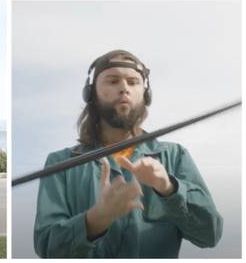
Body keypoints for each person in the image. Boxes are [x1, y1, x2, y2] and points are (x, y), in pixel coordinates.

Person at [34, 50, 223, 258]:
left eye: (133, 82)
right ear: (91, 93)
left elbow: (210, 235)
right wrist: (96, 219)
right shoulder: (60, 163)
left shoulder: (175, 156)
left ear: (145, 94)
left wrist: (169, 188)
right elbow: (47, 247)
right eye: (113, 81)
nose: (124, 88)